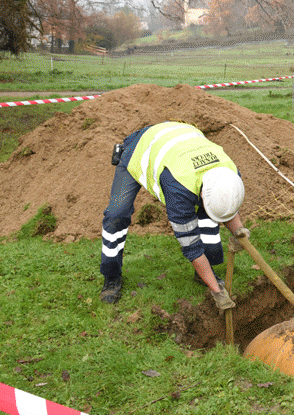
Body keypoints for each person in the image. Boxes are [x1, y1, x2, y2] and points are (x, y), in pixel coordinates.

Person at [99, 121, 248, 312]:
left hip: (178, 141)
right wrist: (217, 291)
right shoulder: (177, 188)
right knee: (116, 214)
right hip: (138, 151)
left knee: (208, 216)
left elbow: (228, 204)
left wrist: (239, 232)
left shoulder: (229, 172)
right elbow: (191, 247)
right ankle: (111, 276)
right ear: (203, 194)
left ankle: (203, 272)